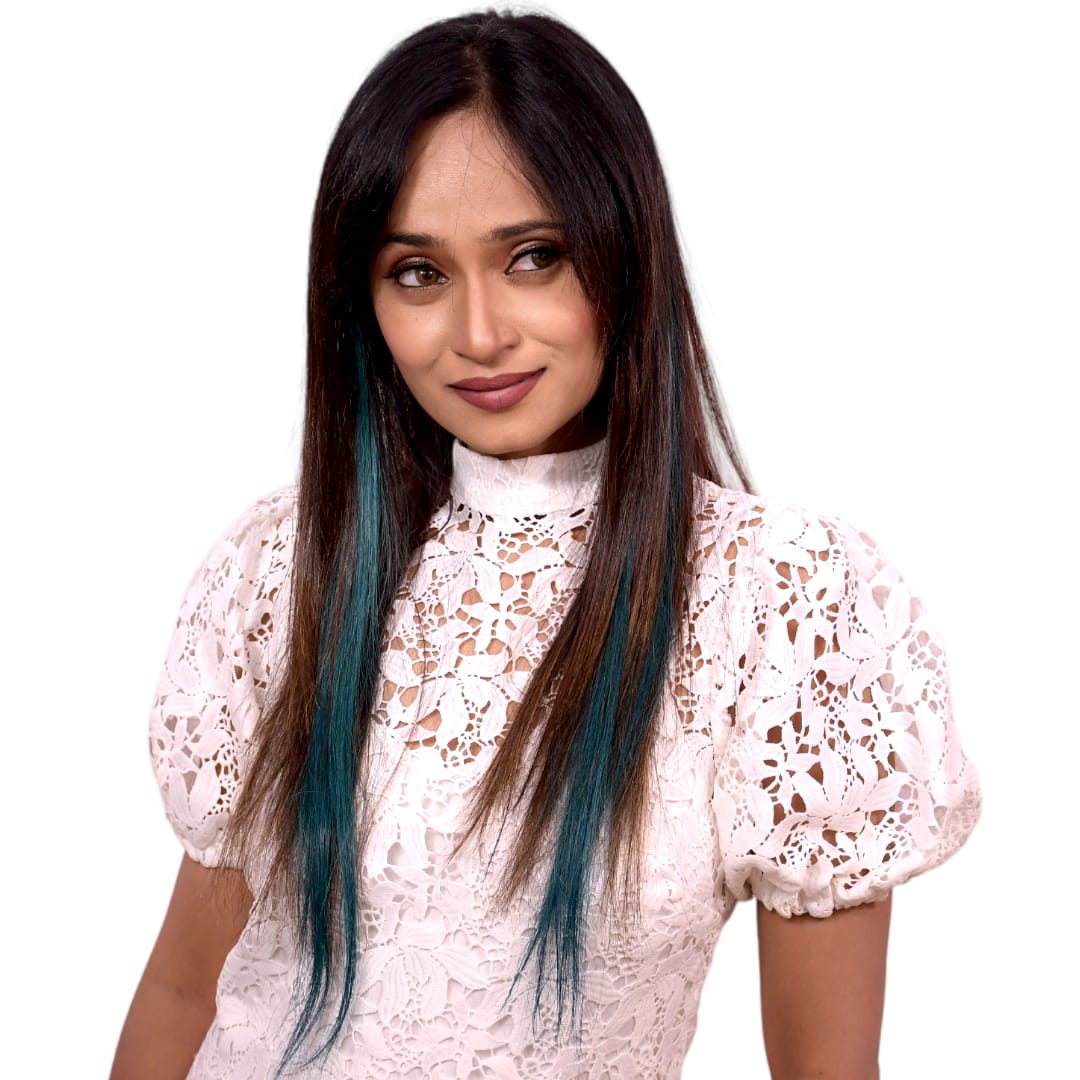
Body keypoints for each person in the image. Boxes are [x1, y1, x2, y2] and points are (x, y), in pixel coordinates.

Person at [111, 10, 980, 1079]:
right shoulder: (283, 565)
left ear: (624, 252)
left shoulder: (775, 601)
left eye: (533, 257)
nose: (478, 334)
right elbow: (187, 987)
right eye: (417, 273)